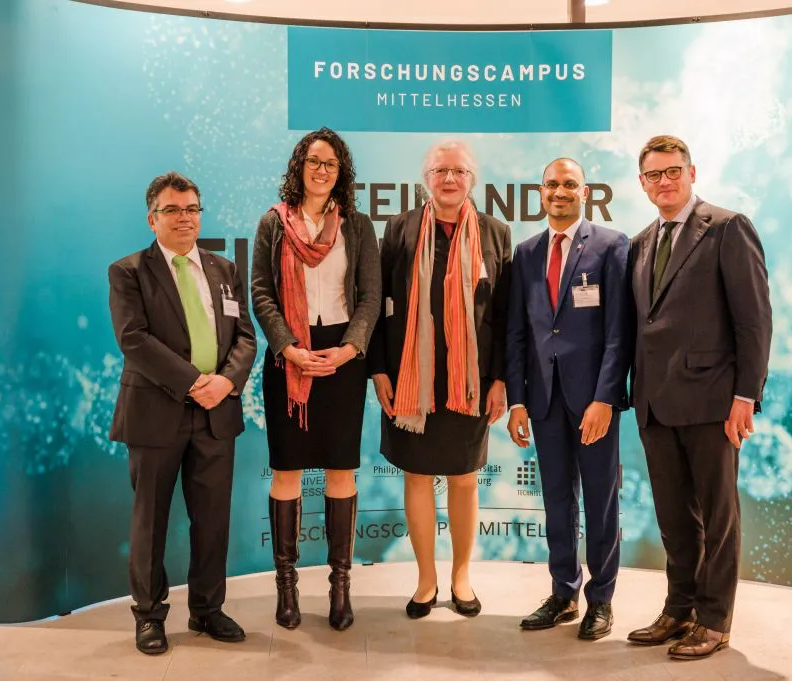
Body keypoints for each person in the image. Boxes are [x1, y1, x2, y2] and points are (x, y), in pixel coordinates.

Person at [626, 135, 772, 659]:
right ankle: (679, 608)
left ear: (692, 172)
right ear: (641, 183)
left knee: (718, 516)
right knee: (673, 517)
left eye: (673, 171)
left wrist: (745, 396)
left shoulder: (728, 228)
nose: (664, 181)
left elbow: (753, 321)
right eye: (653, 174)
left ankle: (714, 620)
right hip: (655, 404)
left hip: (713, 402)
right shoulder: (641, 241)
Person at [108, 171, 257, 655]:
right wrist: (194, 382)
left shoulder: (224, 269)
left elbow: (246, 338)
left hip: (216, 414)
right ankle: (149, 616)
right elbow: (134, 339)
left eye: (192, 208)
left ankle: (208, 609)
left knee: (212, 520)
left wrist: (225, 382)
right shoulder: (129, 271)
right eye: (173, 210)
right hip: (156, 414)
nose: (184, 218)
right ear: (153, 219)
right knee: (150, 521)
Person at [369, 140, 511, 619]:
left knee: (465, 479)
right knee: (417, 476)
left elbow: (505, 316)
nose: (449, 179)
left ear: (473, 178)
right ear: (424, 178)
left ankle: (461, 577)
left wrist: (500, 380)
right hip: (414, 381)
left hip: (470, 382)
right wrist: (380, 370)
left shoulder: (495, 232)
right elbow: (378, 304)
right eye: (439, 170)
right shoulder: (400, 229)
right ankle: (426, 580)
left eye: (459, 171)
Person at [251, 127, 380, 631]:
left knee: (340, 472)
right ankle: (287, 589)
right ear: (298, 167)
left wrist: (350, 349)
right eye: (313, 161)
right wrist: (289, 348)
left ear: (340, 172)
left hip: (343, 361)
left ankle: (340, 587)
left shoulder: (359, 225)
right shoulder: (274, 223)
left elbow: (370, 295)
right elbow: (261, 291)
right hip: (290, 360)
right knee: (287, 472)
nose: (321, 170)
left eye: (330, 163)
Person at [505, 158, 632, 641]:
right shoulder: (527, 252)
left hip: (593, 401)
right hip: (544, 399)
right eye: (552, 184)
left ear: (585, 191)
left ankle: (601, 600)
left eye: (569, 184)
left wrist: (606, 398)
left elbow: (620, 332)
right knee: (557, 499)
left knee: (600, 501)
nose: (560, 191)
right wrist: (517, 401)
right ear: (541, 191)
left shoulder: (610, 245)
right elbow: (517, 333)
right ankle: (563, 592)